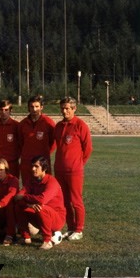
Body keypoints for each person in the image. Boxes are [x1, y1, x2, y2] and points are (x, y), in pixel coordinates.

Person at [54, 96, 93, 241]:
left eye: (68, 108)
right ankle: (70, 228)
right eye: (63, 108)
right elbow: (56, 145)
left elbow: (88, 148)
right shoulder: (58, 126)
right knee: (64, 201)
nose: (65, 111)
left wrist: (78, 163)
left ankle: (79, 229)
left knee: (76, 200)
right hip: (59, 169)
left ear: (74, 109)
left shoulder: (80, 125)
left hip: (74, 170)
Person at [14, 156, 66, 250]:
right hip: (39, 215)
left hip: (56, 218)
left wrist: (25, 197)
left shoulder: (52, 182)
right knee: (19, 206)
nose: (33, 169)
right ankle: (26, 237)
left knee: (40, 207)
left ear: (44, 168)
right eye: (32, 166)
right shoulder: (31, 180)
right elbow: (18, 196)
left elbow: (42, 200)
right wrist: (29, 204)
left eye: (36, 166)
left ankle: (47, 241)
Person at [18, 95, 56, 185]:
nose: (34, 109)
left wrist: (44, 154)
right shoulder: (22, 124)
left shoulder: (48, 122)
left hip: (42, 163)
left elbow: (53, 143)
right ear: (28, 108)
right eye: (31, 107)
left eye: (37, 106)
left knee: (44, 188)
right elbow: (20, 143)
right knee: (27, 189)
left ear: (41, 107)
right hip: (27, 163)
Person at [0, 99, 20, 178]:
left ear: (10, 111)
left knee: (12, 187)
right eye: (1, 110)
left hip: (11, 163)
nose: (3, 112)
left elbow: (21, 143)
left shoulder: (17, 126)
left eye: (6, 110)